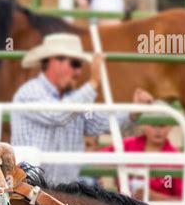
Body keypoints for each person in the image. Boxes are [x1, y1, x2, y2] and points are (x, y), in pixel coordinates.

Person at [10, 33, 153, 186]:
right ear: (54, 62)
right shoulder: (30, 92)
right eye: (75, 64)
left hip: (61, 194)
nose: (78, 72)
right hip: (28, 191)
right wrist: (93, 82)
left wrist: (134, 112)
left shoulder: (74, 102)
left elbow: (104, 122)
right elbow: (57, 114)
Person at [101, 112, 183, 201]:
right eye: (153, 125)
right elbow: (96, 160)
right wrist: (97, 177)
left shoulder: (176, 159)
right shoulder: (127, 145)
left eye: (162, 125)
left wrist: (153, 196)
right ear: (143, 125)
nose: (158, 130)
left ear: (170, 127)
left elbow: (184, 199)